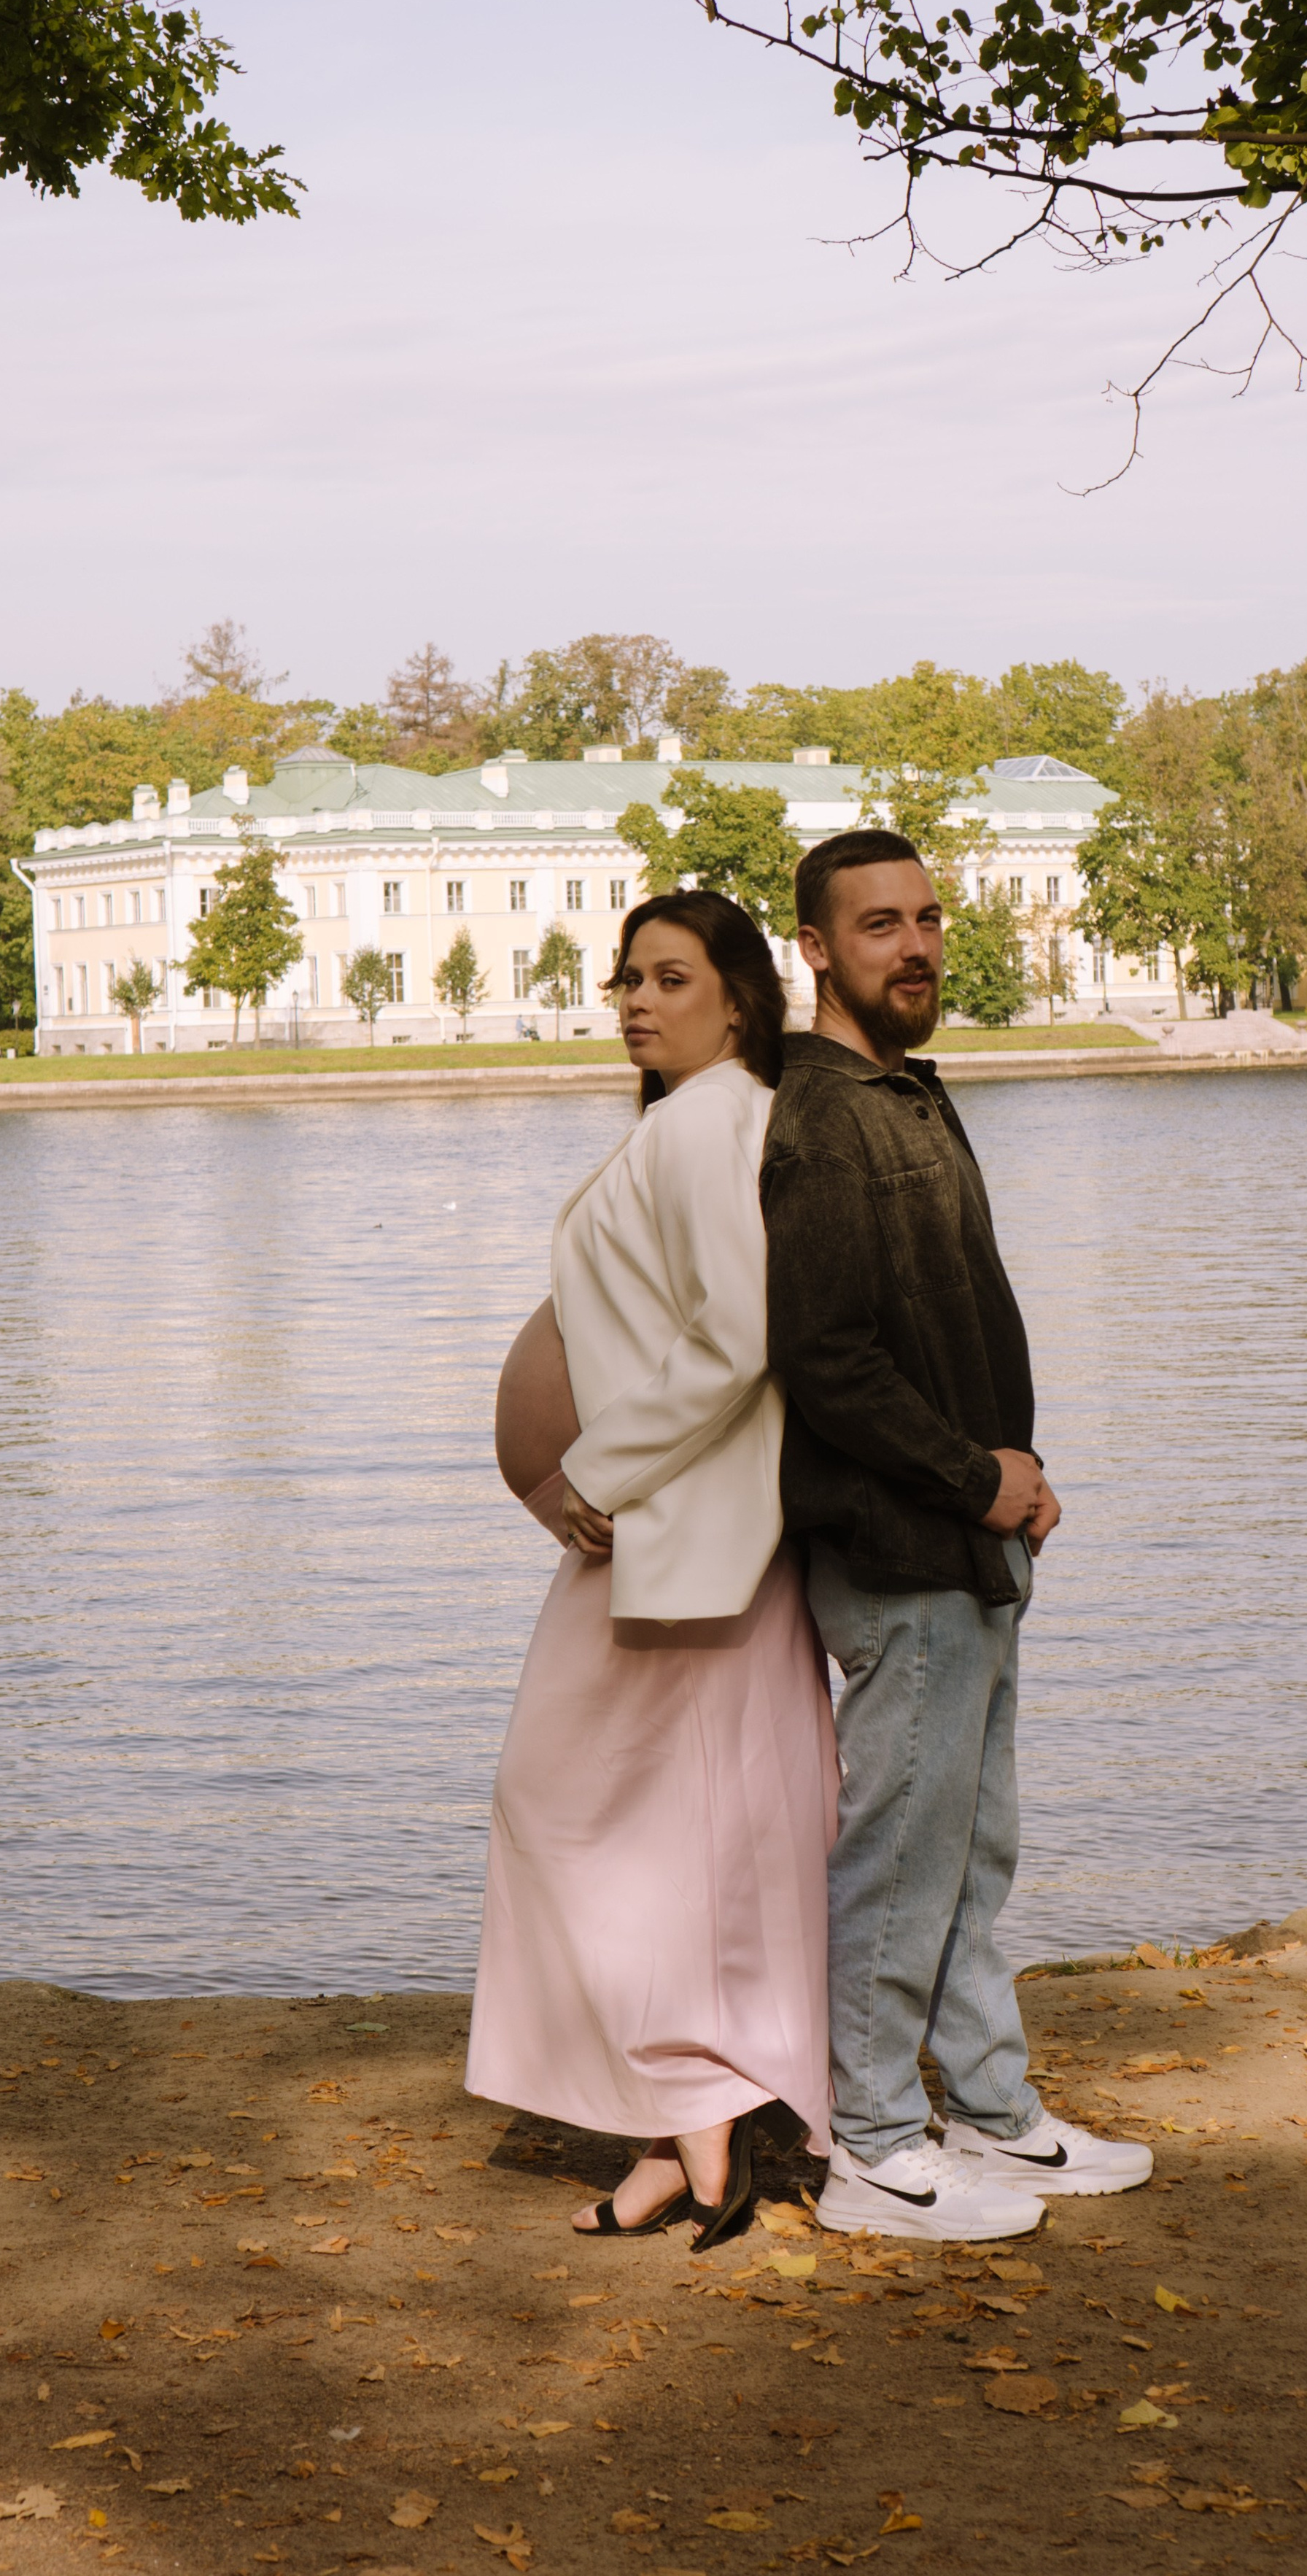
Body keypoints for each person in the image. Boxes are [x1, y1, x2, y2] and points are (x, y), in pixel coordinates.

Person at [761, 828, 1154, 2240]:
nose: (913, 945)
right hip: (892, 1546)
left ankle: (989, 2115)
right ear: (814, 948)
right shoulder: (812, 1119)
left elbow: (946, 1329)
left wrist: (1020, 1475)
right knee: (897, 1855)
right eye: (877, 926)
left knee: (972, 1850)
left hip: (971, 1544)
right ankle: (868, 2144)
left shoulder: (908, 1094)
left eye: (926, 919)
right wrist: (966, 1477)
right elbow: (824, 1354)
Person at [468, 891, 837, 2251]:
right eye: (627, 977)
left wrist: (593, 1474)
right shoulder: (710, 1118)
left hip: (672, 1538)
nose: (636, 999)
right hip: (681, 1543)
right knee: (696, 1838)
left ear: (738, 999)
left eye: (670, 978)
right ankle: (687, 2133)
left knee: (565, 1807)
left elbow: (736, 1338)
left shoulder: (707, 1121)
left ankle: (697, 2117)